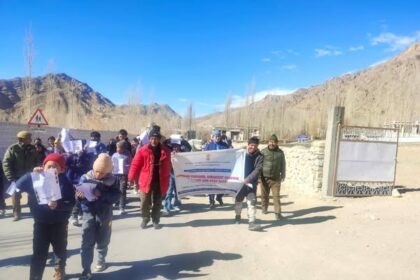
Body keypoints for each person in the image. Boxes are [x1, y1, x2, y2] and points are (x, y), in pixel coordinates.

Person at [15, 153, 75, 280]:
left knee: (60, 249)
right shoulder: (36, 178)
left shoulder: (66, 182)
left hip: (60, 223)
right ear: (43, 166)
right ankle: (35, 276)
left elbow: (71, 203)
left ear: (62, 169)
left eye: (55, 167)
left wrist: (58, 206)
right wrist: (31, 173)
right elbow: (17, 186)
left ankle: (59, 270)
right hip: (40, 223)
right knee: (39, 253)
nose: (51, 170)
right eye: (49, 166)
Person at [78, 153, 120, 279]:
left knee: (103, 238)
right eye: (97, 171)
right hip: (88, 212)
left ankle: (101, 260)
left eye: (102, 173)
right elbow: (78, 195)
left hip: (104, 213)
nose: (98, 175)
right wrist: (80, 197)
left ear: (107, 172)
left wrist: (101, 194)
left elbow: (117, 195)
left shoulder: (113, 180)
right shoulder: (85, 177)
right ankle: (86, 269)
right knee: (86, 241)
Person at [128, 126, 171, 229]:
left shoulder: (166, 151)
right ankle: (145, 218)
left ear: (159, 139)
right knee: (144, 202)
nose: (154, 140)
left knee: (157, 202)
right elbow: (135, 164)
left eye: (156, 138)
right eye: (152, 138)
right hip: (146, 180)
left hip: (160, 181)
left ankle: (155, 220)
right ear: (149, 138)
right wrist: (131, 178)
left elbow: (172, 164)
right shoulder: (143, 150)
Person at [2, 130, 39, 221]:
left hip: (30, 176)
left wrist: (37, 172)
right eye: (28, 138)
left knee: (33, 195)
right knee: (15, 195)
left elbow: (37, 161)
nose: (30, 140)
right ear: (22, 139)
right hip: (17, 177)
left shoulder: (32, 148)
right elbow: (6, 163)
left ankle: (34, 211)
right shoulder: (13, 149)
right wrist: (10, 177)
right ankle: (16, 213)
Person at [234, 137, 264, 231]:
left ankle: (251, 222)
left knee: (252, 202)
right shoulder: (240, 153)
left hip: (251, 184)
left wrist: (248, 179)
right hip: (240, 184)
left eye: (255, 146)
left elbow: (257, 170)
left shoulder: (260, 156)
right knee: (238, 202)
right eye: (251, 145)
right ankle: (237, 216)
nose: (253, 147)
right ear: (248, 144)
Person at [162, 136, 191, 215]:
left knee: (178, 190)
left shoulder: (183, 151)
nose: (175, 148)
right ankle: (167, 207)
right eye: (174, 146)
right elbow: (163, 145)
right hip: (171, 173)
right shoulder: (169, 150)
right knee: (169, 190)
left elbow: (189, 147)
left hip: (179, 174)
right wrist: (168, 139)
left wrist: (183, 140)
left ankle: (177, 203)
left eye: (177, 146)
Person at [260, 134, 286, 220]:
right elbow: (259, 164)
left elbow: (283, 164)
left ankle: (277, 213)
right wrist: (259, 176)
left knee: (276, 196)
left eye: (274, 142)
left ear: (277, 143)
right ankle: (264, 207)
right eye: (270, 141)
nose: (272, 143)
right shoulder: (263, 152)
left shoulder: (280, 153)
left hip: (275, 178)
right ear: (268, 142)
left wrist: (283, 174)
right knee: (264, 195)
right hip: (264, 178)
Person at [203, 129, 229, 209]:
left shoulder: (225, 145)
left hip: (222, 169)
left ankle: (219, 197)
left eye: (219, 136)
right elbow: (205, 157)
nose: (217, 138)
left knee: (223, 184)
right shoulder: (209, 146)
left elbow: (229, 156)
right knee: (211, 185)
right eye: (216, 136)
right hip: (212, 169)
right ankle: (211, 201)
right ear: (213, 137)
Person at [112, 141, 132, 215]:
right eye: (117, 148)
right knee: (115, 189)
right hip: (115, 175)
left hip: (123, 175)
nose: (118, 149)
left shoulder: (127, 155)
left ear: (123, 148)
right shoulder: (114, 155)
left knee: (122, 191)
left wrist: (130, 175)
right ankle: (116, 202)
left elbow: (130, 165)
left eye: (119, 148)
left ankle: (122, 207)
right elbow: (112, 164)